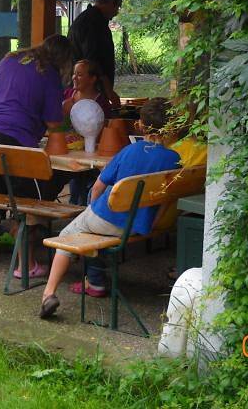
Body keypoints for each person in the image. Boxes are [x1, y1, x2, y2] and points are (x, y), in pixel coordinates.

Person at [39, 98, 180, 319]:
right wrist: (154, 224)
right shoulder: (174, 160)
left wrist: (92, 208)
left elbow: (97, 187)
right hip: (138, 225)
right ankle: (94, 280)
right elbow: (167, 199)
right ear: (171, 127)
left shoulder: (128, 152)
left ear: (140, 125)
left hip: (106, 218)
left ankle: (48, 294)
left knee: (68, 235)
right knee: (91, 232)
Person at [0, 34, 74, 275]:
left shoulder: (11, 59)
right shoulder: (49, 74)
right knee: (25, 199)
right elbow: (53, 122)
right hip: (12, 136)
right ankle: (25, 266)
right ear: (64, 60)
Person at [62, 59, 111, 205]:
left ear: (92, 78)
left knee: (84, 175)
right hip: (70, 152)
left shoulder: (101, 102)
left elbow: (105, 134)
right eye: (74, 74)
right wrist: (64, 112)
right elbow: (59, 128)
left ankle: (82, 204)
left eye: (80, 75)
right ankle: (74, 203)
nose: (74, 78)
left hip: (92, 154)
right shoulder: (67, 95)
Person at [67, 0, 122, 109]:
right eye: (117, 6)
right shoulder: (94, 24)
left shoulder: (88, 18)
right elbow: (93, 62)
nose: (117, 12)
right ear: (112, 3)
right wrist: (109, 91)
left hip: (85, 90)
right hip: (89, 93)